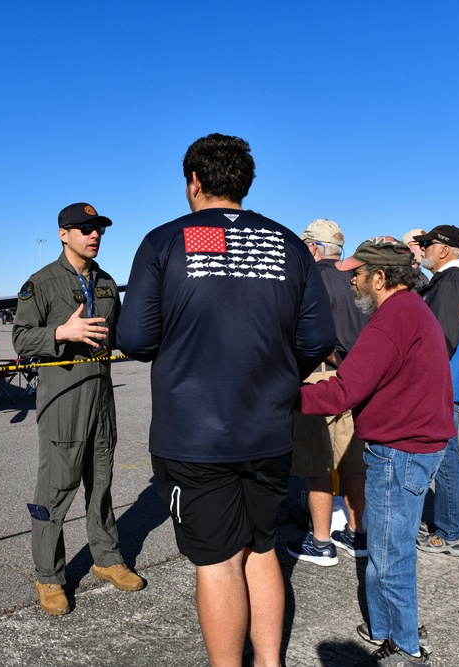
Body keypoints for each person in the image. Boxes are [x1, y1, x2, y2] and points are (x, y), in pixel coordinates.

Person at [117, 133, 335, 667]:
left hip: (194, 432)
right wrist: (280, 377)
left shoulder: (165, 242)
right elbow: (317, 338)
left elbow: (137, 339)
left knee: (215, 562)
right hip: (268, 426)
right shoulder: (287, 244)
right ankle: (269, 661)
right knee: (261, 551)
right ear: (245, 182)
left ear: (194, 182)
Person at [298, 236, 454, 667]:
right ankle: (384, 627)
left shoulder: (392, 319)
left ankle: (406, 645)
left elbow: (344, 389)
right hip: (413, 445)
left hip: (399, 450)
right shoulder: (410, 311)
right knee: (386, 546)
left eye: (359, 275)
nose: (353, 283)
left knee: (390, 553)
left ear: (380, 277)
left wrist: (283, 398)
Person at [12, 202, 143, 616]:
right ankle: (49, 575)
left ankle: (106, 558)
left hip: (102, 396)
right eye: (84, 228)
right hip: (63, 398)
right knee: (56, 487)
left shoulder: (105, 282)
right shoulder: (41, 283)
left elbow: (119, 333)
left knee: (101, 481)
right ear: (63, 234)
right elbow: (20, 339)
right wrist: (61, 331)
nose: (94, 235)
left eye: (98, 228)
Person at [286, 219, 369, 566]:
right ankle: (357, 532)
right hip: (358, 377)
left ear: (314, 247)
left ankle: (321, 542)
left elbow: (304, 332)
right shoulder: (357, 280)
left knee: (317, 461)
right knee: (353, 460)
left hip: (321, 376)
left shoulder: (311, 277)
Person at [412, 225, 459, 556]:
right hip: (448, 381)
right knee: (446, 455)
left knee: (443, 458)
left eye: (426, 244)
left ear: (443, 249)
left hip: (441, 382)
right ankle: (455, 520)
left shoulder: (452, 280)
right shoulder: (454, 278)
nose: (423, 249)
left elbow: (440, 339)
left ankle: (450, 531)